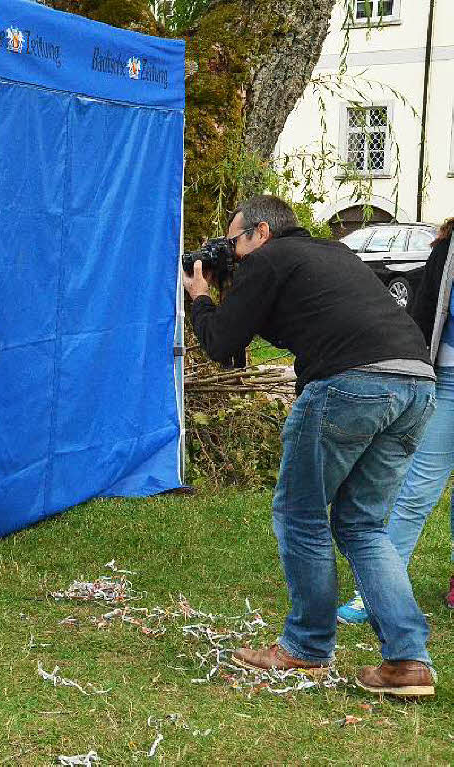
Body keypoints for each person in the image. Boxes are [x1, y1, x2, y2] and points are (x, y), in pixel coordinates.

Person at [184, 195, 438, 697]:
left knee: (300, 514)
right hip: (417, 383)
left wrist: (199, 296)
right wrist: (232, 293)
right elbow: (255, 339)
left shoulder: (267, 260)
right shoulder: (333, 254)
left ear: (260, 232)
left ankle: (306, 646)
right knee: (362, 524)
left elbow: (218, 342)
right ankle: (408, 662)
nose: (233, 255)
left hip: (351, 385)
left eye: (235, 242)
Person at [338, 217, 454, 623]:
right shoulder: (446, 248)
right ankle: (376, 594)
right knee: (416, 491)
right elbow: (421, 319)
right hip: (448, 381)